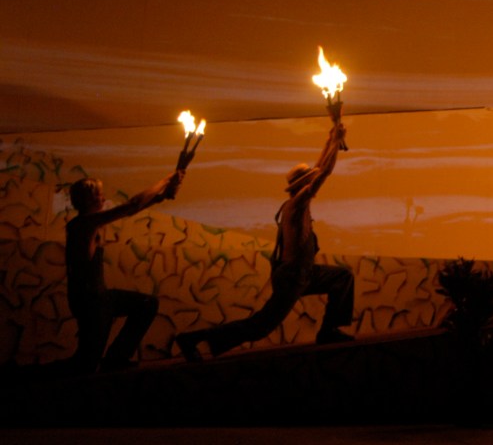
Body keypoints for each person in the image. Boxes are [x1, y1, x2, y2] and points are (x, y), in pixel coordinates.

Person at [175, 103, 355, 361]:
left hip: (304, 272)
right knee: (261, 326)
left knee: (342, 277)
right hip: (293, 276)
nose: (313, 181)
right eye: (309, 180)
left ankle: (329, 331)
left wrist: (332, 138)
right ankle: (192, 339)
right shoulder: (297, 205)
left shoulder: (299, 202)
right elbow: (324, 171)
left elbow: (319, 166)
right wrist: (336, 143)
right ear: (304, 185)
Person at [65, 168, 185, 373]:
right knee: (85, 364)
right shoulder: (84, 223)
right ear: (86, 200)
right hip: (90, 301)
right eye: (98, 195)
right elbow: (133, 205)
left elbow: (133, 208)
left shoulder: (90, 223)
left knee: (147, 304)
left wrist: (161, 197)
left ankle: (117, 357)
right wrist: (167, 179)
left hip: (98, 297)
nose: (103, 198)